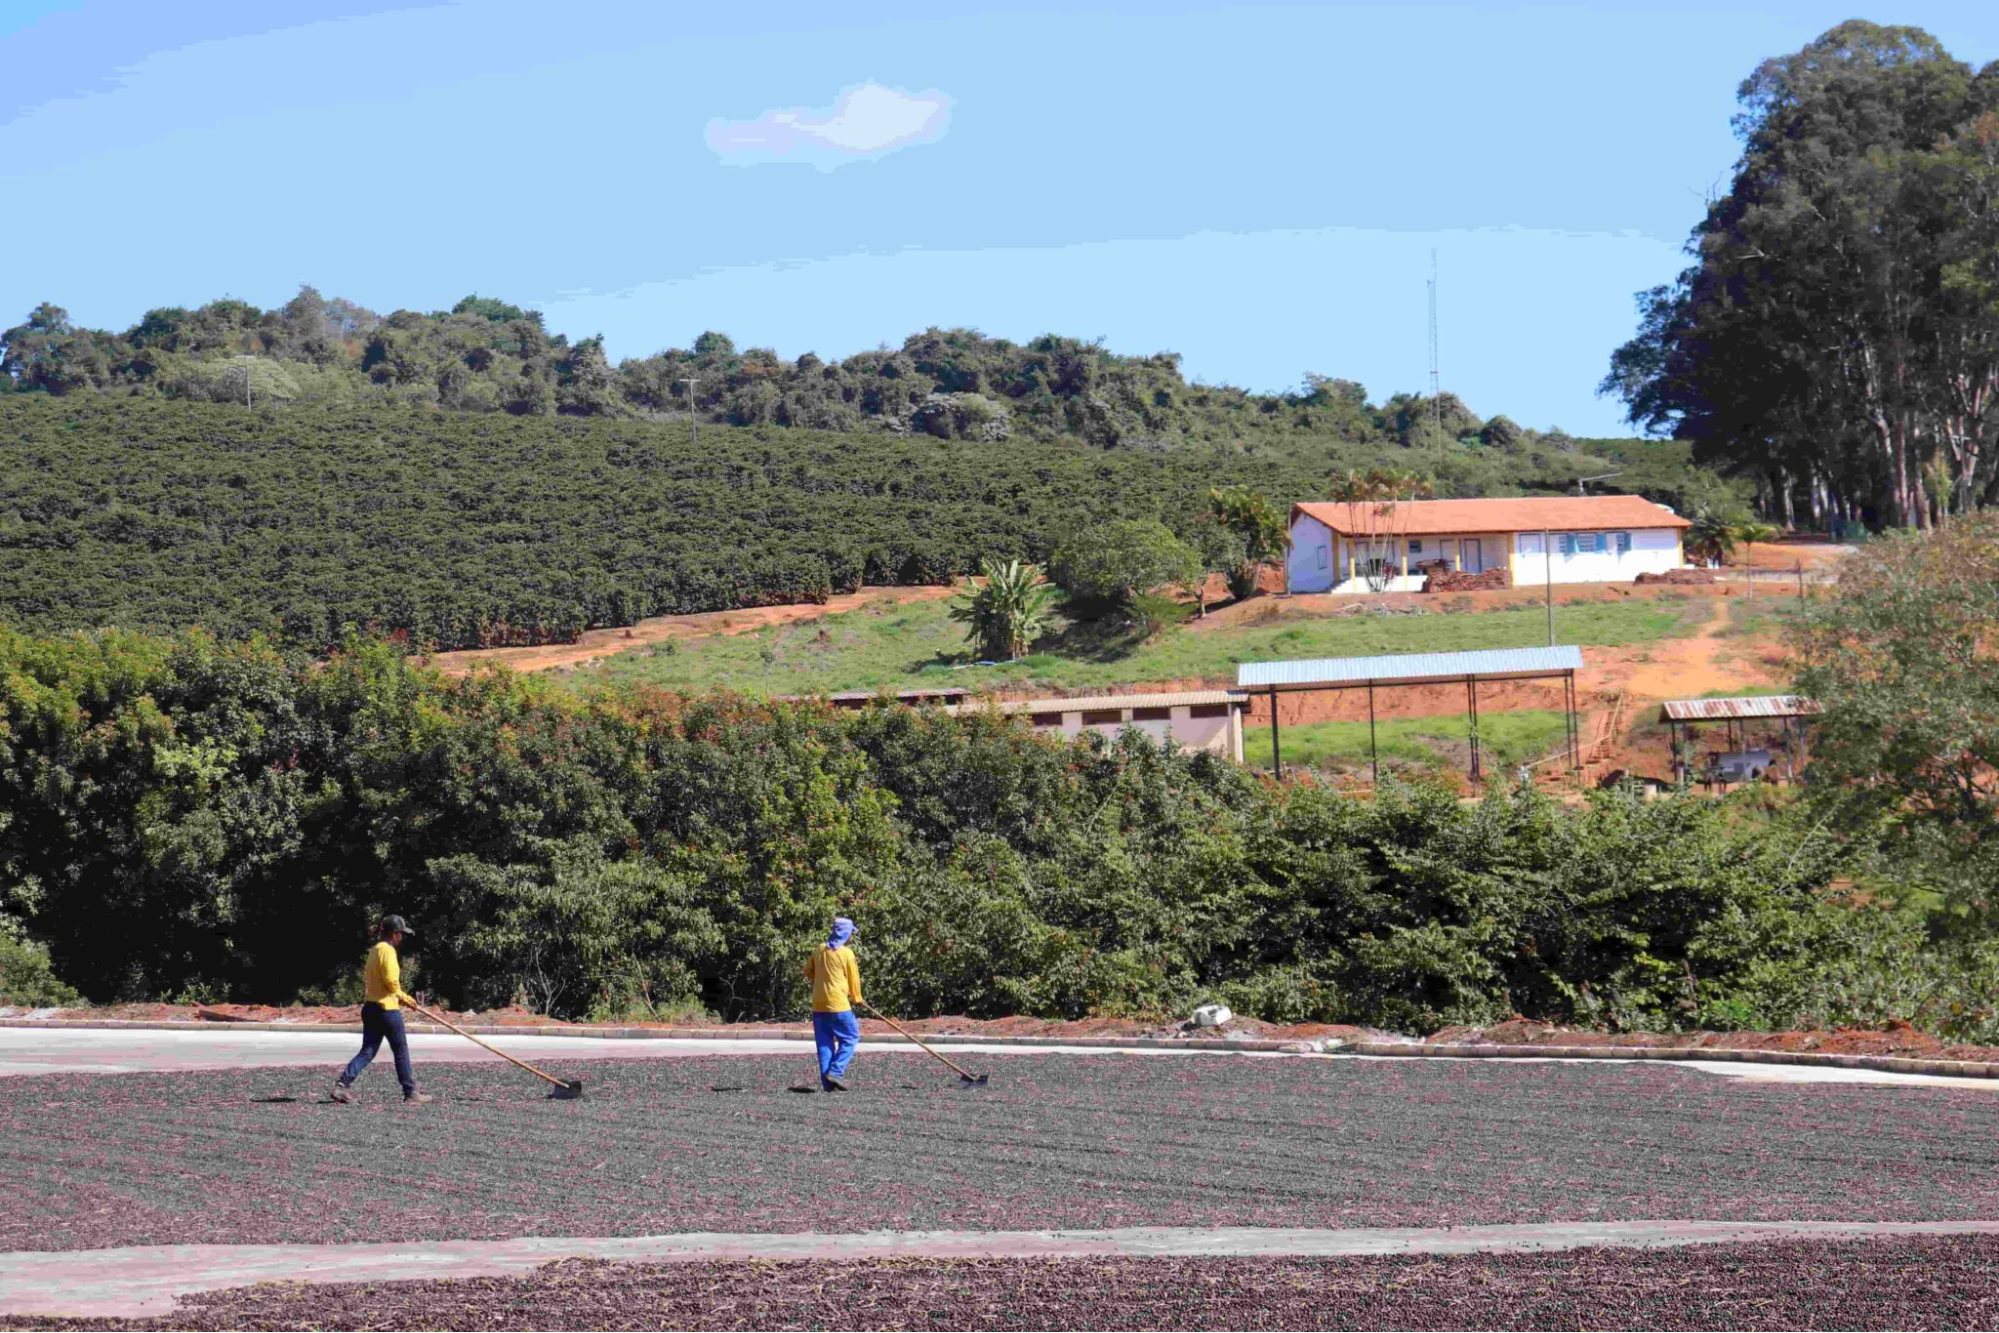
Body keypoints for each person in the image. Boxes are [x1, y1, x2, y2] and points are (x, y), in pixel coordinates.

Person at [331, 915, 433, 1105]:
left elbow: (381, 982)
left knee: (367, 1052)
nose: (401, 938)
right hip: (386, 1010)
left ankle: (341, 1086)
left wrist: (401, 998)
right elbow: (391, 982)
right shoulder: (388, 951)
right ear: (394, 934)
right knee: (400, 1050)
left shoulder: (374, 950)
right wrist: (406, 999)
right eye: (401, 934)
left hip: (370, 1007)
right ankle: (410, 1093)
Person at [804, 915, 863, 1092]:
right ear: (846, 934)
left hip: (818, 1004)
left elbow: (807, 971)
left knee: (824, 1043)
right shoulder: (846, 953)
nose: (851, 937)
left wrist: (820, 981)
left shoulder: (819, 950)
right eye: (851, 934)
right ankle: (836, 1072)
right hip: (838, 1004)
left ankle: (828, 1084)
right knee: (851, 1038)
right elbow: (854, 980)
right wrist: (857, 998)